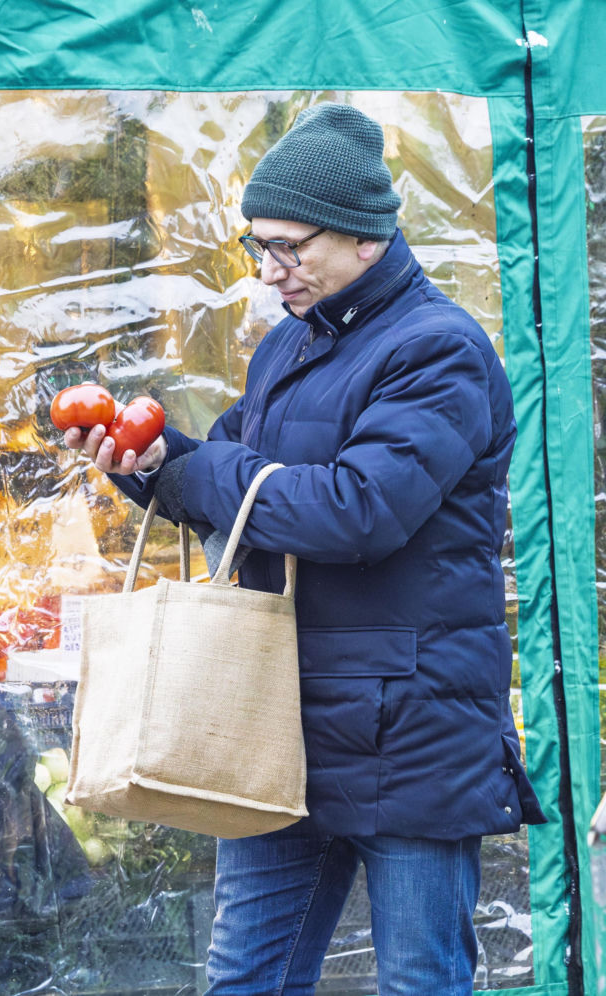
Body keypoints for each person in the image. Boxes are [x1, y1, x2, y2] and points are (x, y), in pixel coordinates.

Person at [63, 103, 546, 996]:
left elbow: (358, 512)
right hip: (277, 725)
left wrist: (208, 469)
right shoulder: (287, 345)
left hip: (410, 735)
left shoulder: (440, 350)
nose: (270, 271)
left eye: (290, 247)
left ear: (367, 238)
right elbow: (233, 487)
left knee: (419, 983)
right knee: (245, 978)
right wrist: (145, 465)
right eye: (259, 247)